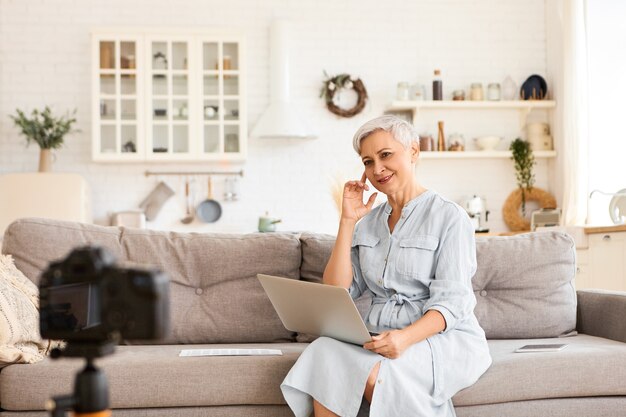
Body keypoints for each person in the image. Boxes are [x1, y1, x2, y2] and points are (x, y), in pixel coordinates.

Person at [280, 115, 492, 417]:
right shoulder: (368, 223)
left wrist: (404, 339)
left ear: (414, 152)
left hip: (441, 339)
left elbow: (452, 303)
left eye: (385, 155)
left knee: (380, 373)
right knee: (323, 352)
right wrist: (347, 221)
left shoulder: (449, 217)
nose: (377, 169)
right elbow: (338, 289)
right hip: (382, 334)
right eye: (368, 161)